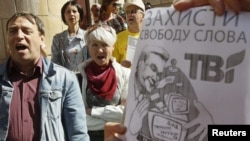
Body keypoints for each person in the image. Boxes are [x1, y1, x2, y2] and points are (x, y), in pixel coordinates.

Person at [104, 0, 250, 140]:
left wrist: (214, 131)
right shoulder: (135, 96)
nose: (157, 77)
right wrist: (127, 132)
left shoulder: (179, 88)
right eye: (154, 68)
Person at [0, 12, 89, 141]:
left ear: (41, 39)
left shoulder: (65, 79)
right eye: (13, 31)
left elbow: (78, 134)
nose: (19, 36)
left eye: (26, 31)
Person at [78, 23, 130, 141]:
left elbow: (126, 114)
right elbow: (78, 117)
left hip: (117, 137)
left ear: (113, 47)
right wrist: (112, 119)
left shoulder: (126, 74)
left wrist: (92, 111)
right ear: (88, 47)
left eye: (105, 45)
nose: (100, 50)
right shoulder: (79, 77)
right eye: (94, 45)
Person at [51, 0, 88, 72]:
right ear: (64, 16)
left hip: (86, 79)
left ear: (80, 14)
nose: (71, 14)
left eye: (74, 11)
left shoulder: (87, 36)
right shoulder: (58, 39)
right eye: (68, 12)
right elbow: (55, 62)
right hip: (67, 79)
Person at [112, 0, 145, 68]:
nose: (130, 15)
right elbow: (112, 65)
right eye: (127, 12)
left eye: (133, 11)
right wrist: (120, 66)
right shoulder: (118, 38)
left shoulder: (151, 36)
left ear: (143, 16)